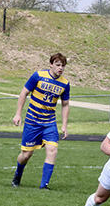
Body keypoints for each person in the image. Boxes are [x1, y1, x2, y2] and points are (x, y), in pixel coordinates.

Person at [11, 53, 70, 189]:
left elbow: (65, 104)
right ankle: (18, 175)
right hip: (32, 121)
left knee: (52, 149)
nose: (60, 68)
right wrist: (18, 114)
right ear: (51, 64)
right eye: (58, 65)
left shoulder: (65, 84)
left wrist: (65, 125)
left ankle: (44, 186)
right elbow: (23, 93)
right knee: (26, 155)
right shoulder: (38, 76)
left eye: (63, 66)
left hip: (49, 122)